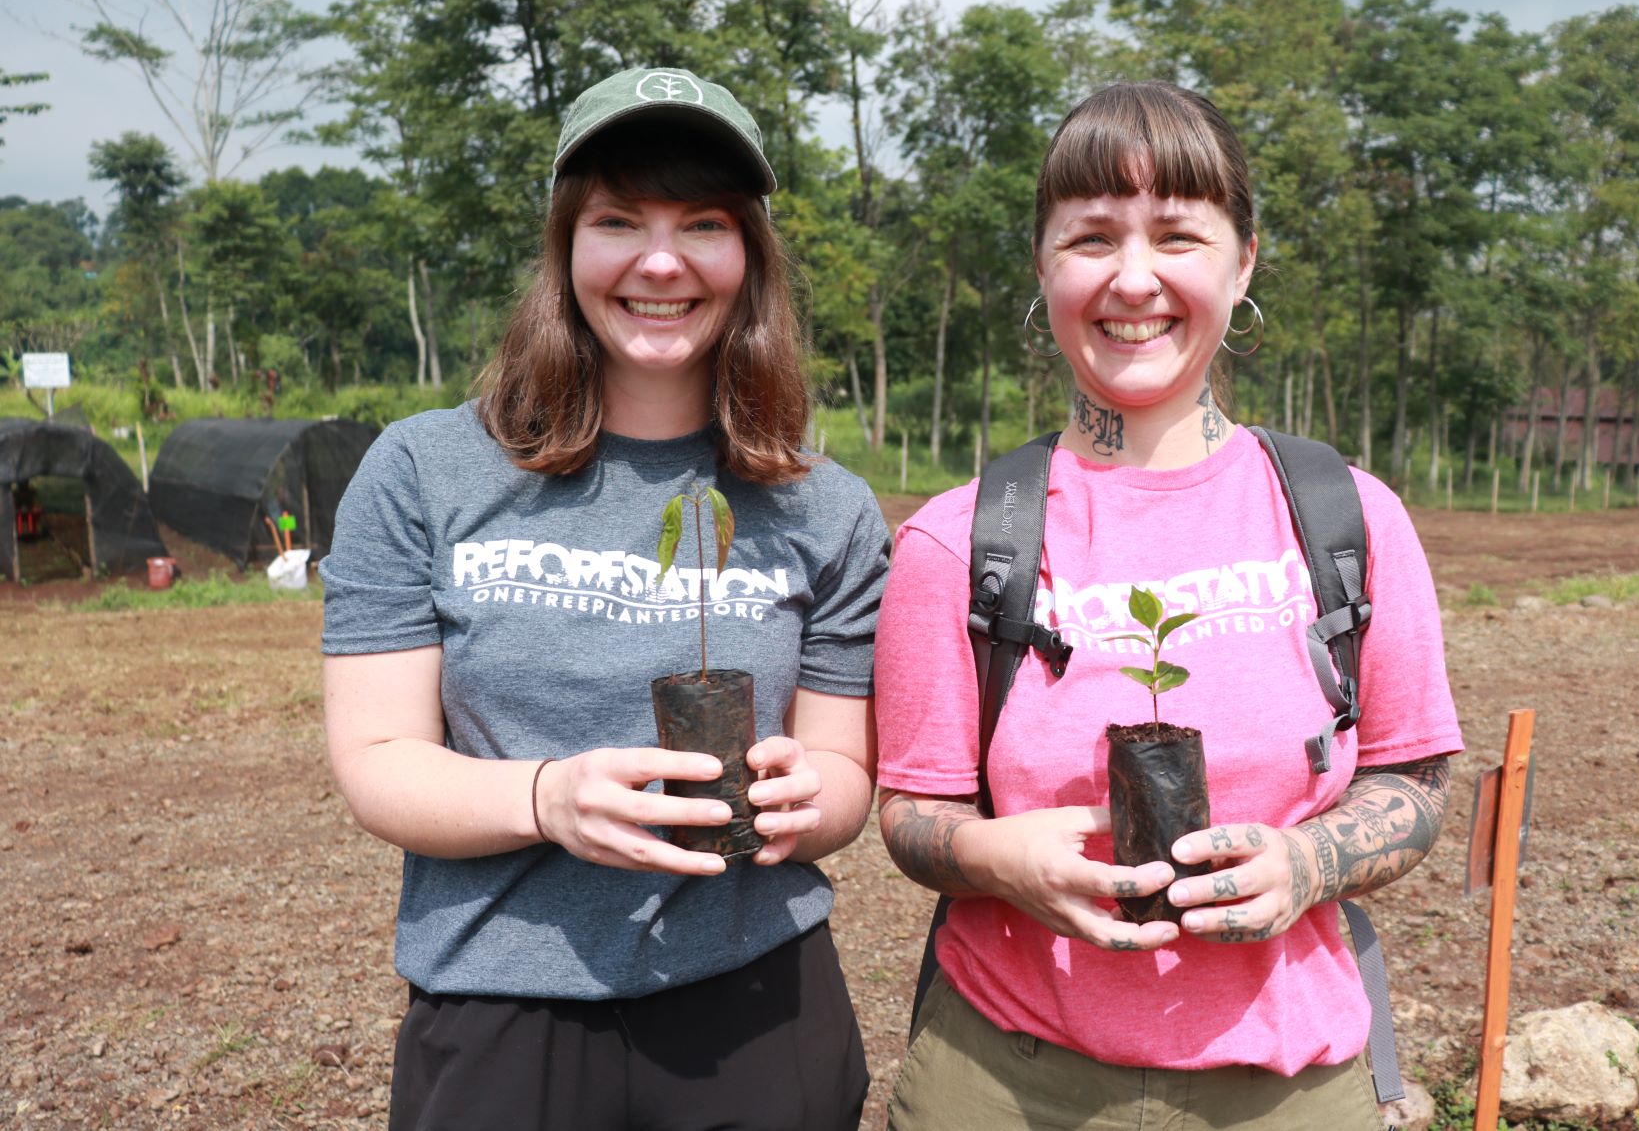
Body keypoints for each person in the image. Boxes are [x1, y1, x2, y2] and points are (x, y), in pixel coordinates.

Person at [874, 81, 1464, 1129]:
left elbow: (1412, 781)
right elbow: (915, 812)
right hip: (1004, 1083)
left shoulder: (1347, 517)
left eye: (1178, 236)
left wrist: (1308, 862)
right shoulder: (957, 538)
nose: (1133, 278)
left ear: (1243, 266)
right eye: (1091, 237)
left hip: (1286, 1087)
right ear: (1044, 270)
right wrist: (990, 859)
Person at [320, 67, 888, 1131]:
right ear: (567, 248)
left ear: (749, 255)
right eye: (619, 219)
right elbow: (376, 762)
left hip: (759, 1007)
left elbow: (847, 772)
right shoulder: (427, 471)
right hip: (501, 1009)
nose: (660, 261)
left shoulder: (831, 510)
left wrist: (815, 801)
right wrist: (548, 801)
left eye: (703, 224)